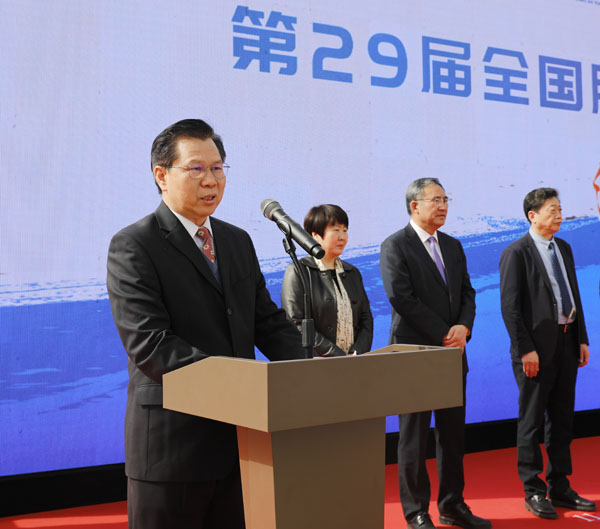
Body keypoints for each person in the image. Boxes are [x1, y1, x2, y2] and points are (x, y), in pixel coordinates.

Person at [106, 119, 305, 529]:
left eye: (217, 168)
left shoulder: (236, 241)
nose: (211, 180)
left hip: (242, 442)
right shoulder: (135, 244)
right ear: (162, 175)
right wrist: (242, 383)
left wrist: (314, 368)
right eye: (196, 168)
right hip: (173, 446)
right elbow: (150, 344)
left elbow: (265, 321)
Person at [380, 178, 491, 529]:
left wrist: (463, 326)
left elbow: (468, 292)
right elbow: (401, 297)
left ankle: (452, 505)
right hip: (414, 353)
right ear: (415, 205)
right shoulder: (395, 245)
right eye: (436, 200)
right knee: (413, 437)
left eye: (446, 200)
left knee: (452, 435)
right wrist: (444, 332)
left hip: (452, 353)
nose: (443, 206)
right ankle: (416, 511)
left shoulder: (453, 245)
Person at [499, 187, 595, 520]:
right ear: (533, 215)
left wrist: (581, 338)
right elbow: (510, 308)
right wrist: (525, 348)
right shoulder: (517, 253)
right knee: (532, 419)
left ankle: (560, 484)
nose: (559, 215)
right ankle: (533, 489)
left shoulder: (563, 248)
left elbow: (573, 294)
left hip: (567, 341)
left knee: (562, 417)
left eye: (560, 209)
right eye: (552, 210)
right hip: (535, 350)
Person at [280, 204, 373, 356]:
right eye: (336, 230)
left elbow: (365, 318)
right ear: (315, 235)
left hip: (354, 361)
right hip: (317, 362)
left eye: (345, 230)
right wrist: (335, 354)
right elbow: (295, 323)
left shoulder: (352, 272)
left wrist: (357, 351)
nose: (342, 237)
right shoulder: (299, 271)